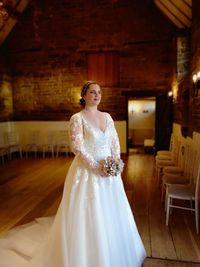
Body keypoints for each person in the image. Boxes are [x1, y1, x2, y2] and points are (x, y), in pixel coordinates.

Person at [0, 81, 146, 267]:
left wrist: (115, 163)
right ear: (83, 95)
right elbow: (78, 147)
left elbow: (115, 142)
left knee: (112, 211)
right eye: (92, 92)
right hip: (87, 172)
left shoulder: (107, 117)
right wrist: (96, 167)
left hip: (110, 173)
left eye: (99, 92)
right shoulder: (77, 118)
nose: (96, 95)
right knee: (88, 213)